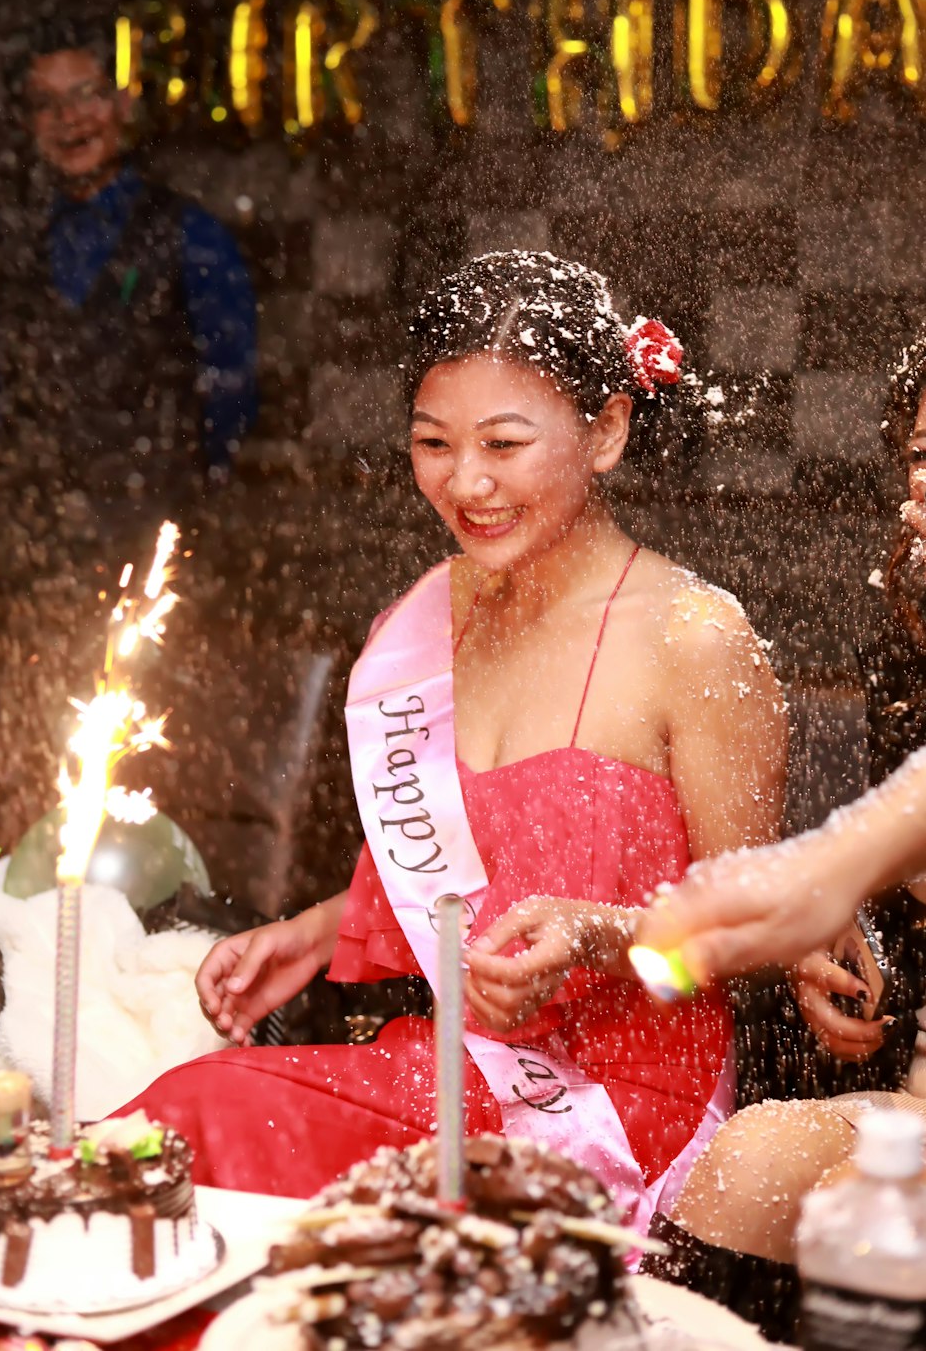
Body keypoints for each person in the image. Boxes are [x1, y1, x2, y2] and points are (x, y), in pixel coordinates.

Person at [116, 251, 786, 1228]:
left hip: (622, 1104)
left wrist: (599, 937)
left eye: (504, 444)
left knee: (200, 1124)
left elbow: (760, 937)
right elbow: (460, 865)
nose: (465, 482)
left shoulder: (696, 639)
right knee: (175, 1135)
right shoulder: (433, 618)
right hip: (451, 1062)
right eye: (434, 442)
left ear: (605, 430)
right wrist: (312, 935)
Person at [638, 335, 926, 1339]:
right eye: (925, 457)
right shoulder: (908, 646)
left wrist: (827, 873)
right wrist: (858, 930)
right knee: (747, 1164)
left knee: (874, 1209)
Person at [0, 13, 258, 553]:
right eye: (46, 104)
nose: (68, 118)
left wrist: (191, 499)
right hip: (34, 533)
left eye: (86, 94)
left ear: (122, 103)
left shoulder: (190, 234)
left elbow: (231, 388)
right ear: (27, 123)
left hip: (159, 532)